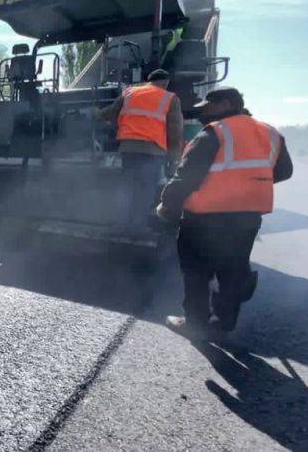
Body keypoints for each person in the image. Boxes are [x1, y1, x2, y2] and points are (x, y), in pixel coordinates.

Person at [156, 88, 293, 339]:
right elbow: (284, 171)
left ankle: (195, 324)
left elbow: (187, 176)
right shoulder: (271, 133)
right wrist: (250, 185)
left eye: (208, 105)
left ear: (226, 104)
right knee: (232, 269)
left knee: (196, 272)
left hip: (205, 217)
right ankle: (224, 322)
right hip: (247, 218)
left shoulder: (216, 132)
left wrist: (167, 205)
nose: (203, 110)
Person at [97, 69, 184, 233]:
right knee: (145, 188)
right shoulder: (169, 98)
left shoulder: (129, 93)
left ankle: (119, 224)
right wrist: (174, 157)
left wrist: (97, 114)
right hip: (153, 150)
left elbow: (111, 112)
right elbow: (175, 130)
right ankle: (137, 226)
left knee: (127, 186)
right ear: (164, 82)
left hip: (129, 148)